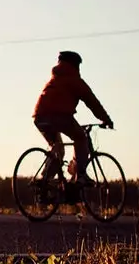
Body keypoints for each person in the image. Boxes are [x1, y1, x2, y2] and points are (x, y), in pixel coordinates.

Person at [32, 50, 114, 184]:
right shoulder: (74, 80)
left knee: (57, 148)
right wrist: (106, 119)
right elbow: (92, 101)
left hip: (40, 117)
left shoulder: (55, 78)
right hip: (59, 116)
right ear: (75, 65)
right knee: (81, 138)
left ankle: (44, 182)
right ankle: (80, 175)